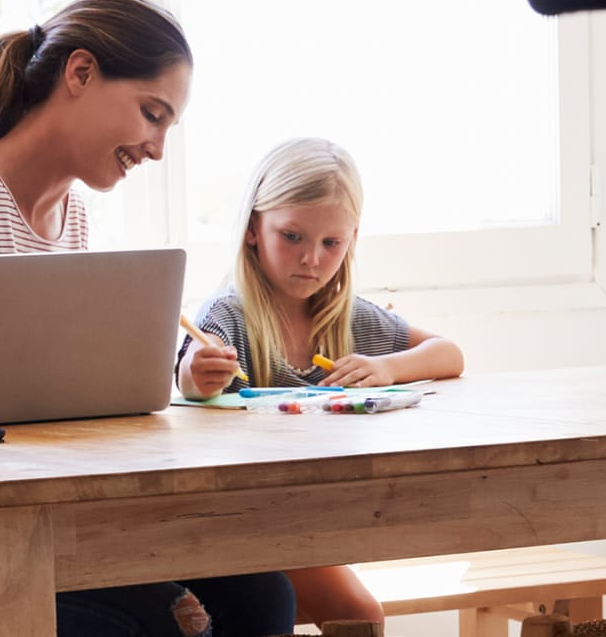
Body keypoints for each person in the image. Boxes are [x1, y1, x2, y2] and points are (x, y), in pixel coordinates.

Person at [0, 0, 297, 636]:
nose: (157, 148)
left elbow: (52, 386)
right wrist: (5, 377)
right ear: (80, 74)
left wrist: (147, 372)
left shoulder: (70, 216)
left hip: (33, 518)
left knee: (261, 597)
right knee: (157, 626)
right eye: (151, 114)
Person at [176, 136, 466, 627]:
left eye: (331, 243)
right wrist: (199, 375)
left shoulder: (347, 318)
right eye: (292, 236)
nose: (311, 259)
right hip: (243, 518)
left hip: (323, 512)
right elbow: (189, 379)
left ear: (351, 239)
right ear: (252, 229)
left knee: (357, 609)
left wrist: (390, 368)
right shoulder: (227, 314)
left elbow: (449, 353)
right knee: (357, 613)